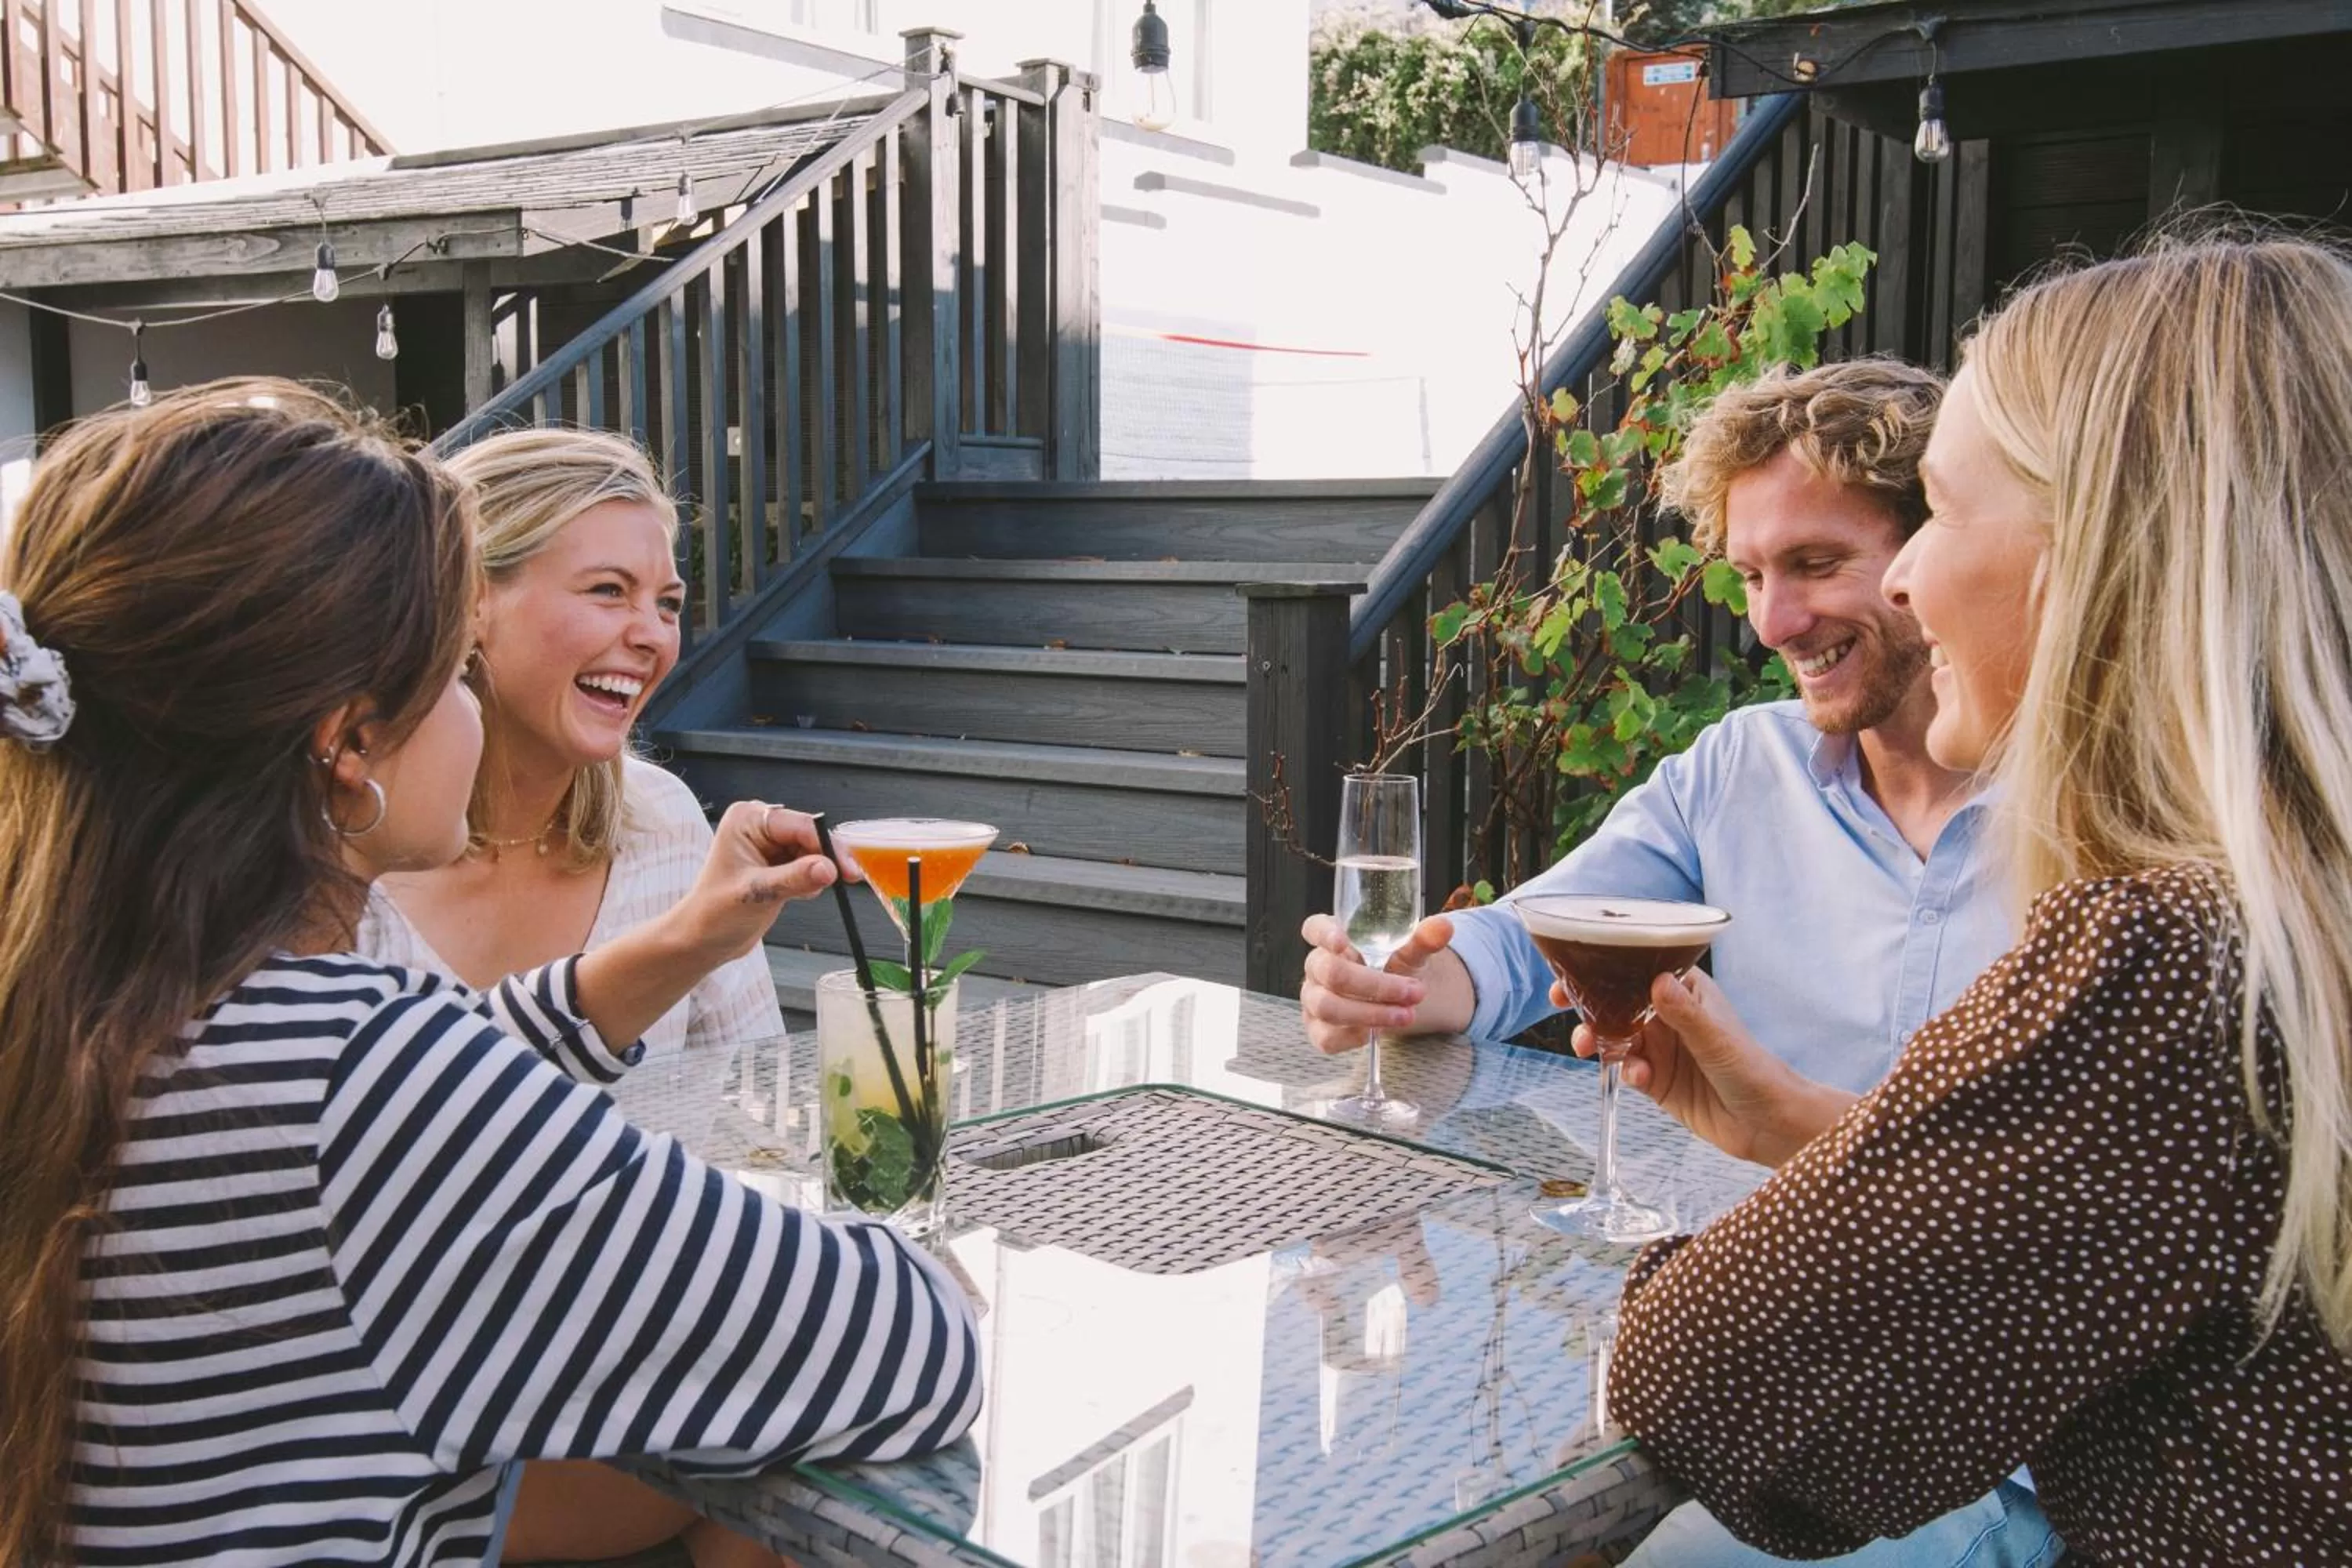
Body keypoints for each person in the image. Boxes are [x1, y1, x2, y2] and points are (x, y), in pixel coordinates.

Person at [0, 381, 981, 1568]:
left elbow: (444, 1082)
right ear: (350, 740)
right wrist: (932, 1259)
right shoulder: (356, 1078)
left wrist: (666, 954)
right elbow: (904, 1354)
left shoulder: (98, 990)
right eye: (447, 677)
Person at [1600, 237, 2352, 1563]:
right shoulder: (2297, 913)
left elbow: (1708, 1382)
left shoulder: (2174, 953)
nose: (1904, 583)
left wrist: (1784, 1235)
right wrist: (1835, 1144)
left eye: (1940, 514)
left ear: (2113, 550)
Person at [1302, 357, 1999, 1097]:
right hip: (1743, 1213)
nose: (1773, 624)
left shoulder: (2093, 807)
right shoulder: (1740, 766)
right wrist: (1409, 985)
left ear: (1932, 551)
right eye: (1754, 577)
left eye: (1818, 563)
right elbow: (1543, 930)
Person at [361, 426, 782, 1058]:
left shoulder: (662, 821)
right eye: (608, 590)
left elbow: (759, 1100)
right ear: (469, 602)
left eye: (668, 604)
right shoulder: (344, 859)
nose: (653, 636)